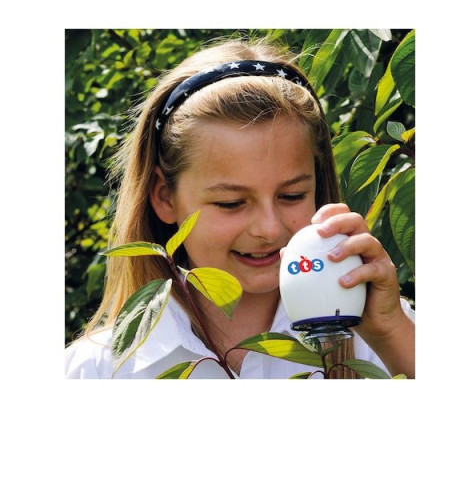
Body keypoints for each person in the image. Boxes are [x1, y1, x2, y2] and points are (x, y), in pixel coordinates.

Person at [65, 38, 415, 379]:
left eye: (292, 195)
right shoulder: (98, 371)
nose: (269, 228)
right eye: (231, 203)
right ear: (164, 197)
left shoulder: (376, 338)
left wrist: (389, 331)